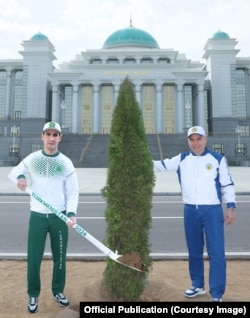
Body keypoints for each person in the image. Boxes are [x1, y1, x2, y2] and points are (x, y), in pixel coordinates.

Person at [153, 126, 236, 302]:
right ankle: (197, 284)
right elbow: (159, 165)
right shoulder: (181, 159)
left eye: (199, 139)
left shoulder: (217, 159)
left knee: (216, 253)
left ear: (205, 140)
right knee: (194, 251)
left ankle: (217, 293)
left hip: (212, 210)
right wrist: (136, 158)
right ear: (188, 141)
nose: (196, 143)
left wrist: (230, 207)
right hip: (190, 210)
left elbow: (227, 184)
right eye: (192, 139)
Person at [8, 121, 79, 313]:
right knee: (34, 258)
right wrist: (21, 177)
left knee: (60, 258)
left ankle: (58, 291)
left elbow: (73, 192)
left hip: (60, 217)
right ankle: (33, 295)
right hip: (38, 216)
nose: (51, 138)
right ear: (42, 137)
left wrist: (71, 213)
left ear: (60, 138)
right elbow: (14, 173)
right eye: (48, 134)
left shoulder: (65, 162)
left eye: (55, 135)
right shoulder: (32, 158)